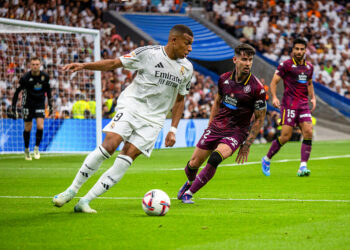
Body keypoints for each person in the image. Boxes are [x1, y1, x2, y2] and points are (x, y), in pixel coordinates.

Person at [53, 24, 194, 213]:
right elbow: (114, 63)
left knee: (126, 157)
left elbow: (180, 100)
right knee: (110, 145)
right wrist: (84, 66)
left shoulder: (187, 68)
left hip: (154, 120)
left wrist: (173, 129)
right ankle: (72, 190)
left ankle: (85, 201)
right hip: (132, 106)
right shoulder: (148, 54)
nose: (190, 48)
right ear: (174, 40)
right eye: (187, 43)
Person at [177, 43, 266, 204]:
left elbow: (260, 117)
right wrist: (210, 125)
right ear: (235, 59)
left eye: (250, 60)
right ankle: (190, 182)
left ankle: (189, 193)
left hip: (236, 132)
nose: (247, 63)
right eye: (244, 59)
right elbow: (217, 101)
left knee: (215, 158)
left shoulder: (257, 88)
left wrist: (247, 144)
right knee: (192, 165)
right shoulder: (224, 79)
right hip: (217, 127)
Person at [261, 38, 316, 177]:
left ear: (305, 50)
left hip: (303, 105)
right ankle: (266, 159)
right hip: (289, 105)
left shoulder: (309, 67)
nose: (299, 51)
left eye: (301, 49)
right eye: (296, 49)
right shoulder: (285, 65)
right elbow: (274, 82)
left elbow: (309, 83)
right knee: (285, 136)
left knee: (308, 131)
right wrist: (274, 97)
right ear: (292, 50)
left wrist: (313, 97)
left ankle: (303, 167)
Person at [10, 57, 52, 160]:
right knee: (28, 128)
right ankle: (26, 149)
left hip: (39, 103)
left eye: (37, 64)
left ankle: (36, 148)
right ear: (30, 65)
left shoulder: (45, 76)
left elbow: (48, 91)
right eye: (33, 64)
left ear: (40, 65)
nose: (35, 66)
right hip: (27, 103)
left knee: (40, 126)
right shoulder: (25, 78)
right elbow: (17, 92)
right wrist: (13, 107)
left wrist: (50, 104)